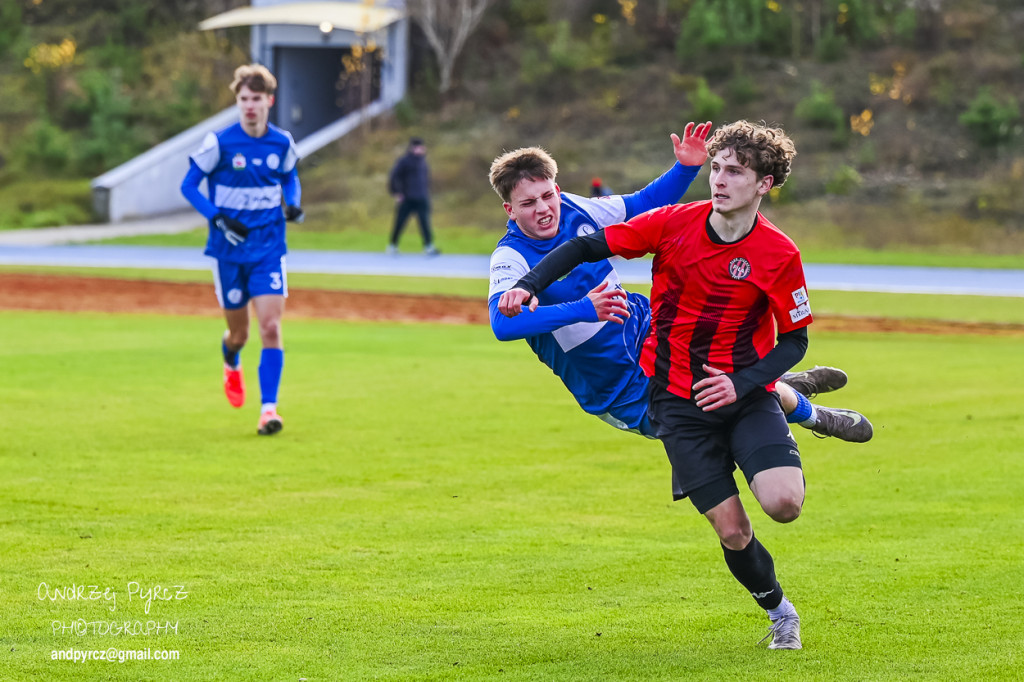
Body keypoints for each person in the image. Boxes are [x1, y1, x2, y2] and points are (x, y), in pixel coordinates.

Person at [498, 120, 858, 650]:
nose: (718, 180)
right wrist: (531, 288)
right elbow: (546, 284)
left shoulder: (779, 253)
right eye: (715, 169)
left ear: (763, 183)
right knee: (732, 528)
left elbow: (795, 336)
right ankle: (782, 608)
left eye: (732, 171)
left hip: (714, 375)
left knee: (783, 503)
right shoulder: (519, 254)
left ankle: (789, 400)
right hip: (654, 392)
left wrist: (743, 383)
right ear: (510, 208)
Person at [487, 126, 871, 447]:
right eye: (528, 203)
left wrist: (685, 168)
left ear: (557, 188)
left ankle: (800, 404)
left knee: (724, 392)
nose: (543, 208)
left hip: (651, 333)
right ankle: (806, 406)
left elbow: (643, 207)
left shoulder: (575, 208)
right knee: (712, 411)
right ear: (510, 210)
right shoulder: (510, 257)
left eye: (548, 195)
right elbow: (503, 326)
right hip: (614, 384)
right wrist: (584, 309)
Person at [180, 63, 303, 436]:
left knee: (270, 326)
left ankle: (269, 410)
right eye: (243, 99)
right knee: (240, 335)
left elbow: (290, 176)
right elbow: (188, 186)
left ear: (270, 100)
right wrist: (217, 218)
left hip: (268, 249)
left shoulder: (282, 142)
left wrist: (293, 203)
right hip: (228, 251)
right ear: (238, 101)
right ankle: (230, 359)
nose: (249, 106)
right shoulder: (219, 143)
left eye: (256, 99)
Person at [387, 137, 438, 256]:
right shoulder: (404, 161)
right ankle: (393, 245)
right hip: (407, 198)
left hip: (421, 197)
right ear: (413, 148)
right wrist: (397, 192)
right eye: (419, 147)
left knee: (425, 223)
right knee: (400, 222)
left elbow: (425, 180)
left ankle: (428, 246)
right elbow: (394, 176)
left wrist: (426, 194)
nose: (421, 149)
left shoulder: (423, 162)